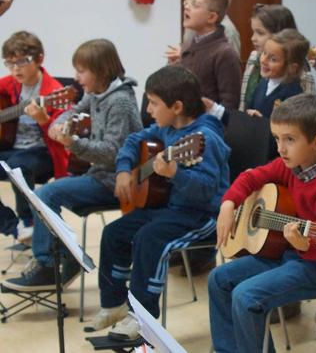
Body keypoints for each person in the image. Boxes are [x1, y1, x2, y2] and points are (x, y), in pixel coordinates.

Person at [84, 65, 230, 341]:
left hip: (203, 215)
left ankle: (142, 318)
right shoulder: (168, 128)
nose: (148, 109)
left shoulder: (205, 139)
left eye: (153, 103)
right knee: (114, 233)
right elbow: (133, 140)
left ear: (176, 106)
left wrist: (176, 173)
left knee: (150, 239)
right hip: (171, 208)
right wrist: (126, 169)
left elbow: (207, 189)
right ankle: (113, 304)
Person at [208, 94, 316, 353]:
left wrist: (304, 246)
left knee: (246, 296)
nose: (280, 148)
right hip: (287, 253)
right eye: (277, 138)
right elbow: (251, 178)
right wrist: (228, 204)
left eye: (289, 139)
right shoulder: (291, 166)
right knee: (218, 279)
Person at [2, 39, 143, 292]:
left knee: (46, 193)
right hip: (99, 173)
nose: (76, 78)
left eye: (80, 71)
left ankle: (48, 263)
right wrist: (61, 122)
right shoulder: (98, 92)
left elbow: (113, 154)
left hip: (117, 179)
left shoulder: (119, 102)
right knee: (46, 194)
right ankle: (64, 257)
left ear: (99, 71)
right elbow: (74, 109)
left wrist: (73, 142)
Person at [0, 31, 69, 242]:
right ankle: (13, 227)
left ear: (39, 59)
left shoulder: (54, 92)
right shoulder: (9, 84)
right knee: (14, 161)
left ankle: (29, 220)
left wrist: (43, 119)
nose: (15, 69)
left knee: (17, 165)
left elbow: (61, 137)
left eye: (21, 62)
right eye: (10, 63)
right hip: (13, 149)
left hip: (44, 153)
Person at [175, 0, 241, 110]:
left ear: (211, 17)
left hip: (207, 126)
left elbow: (229, 104)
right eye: (187, 2)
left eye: (195, 5)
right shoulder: (189, 44)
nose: (187, 7)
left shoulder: (225, 53)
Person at [239, 4, 316, 111]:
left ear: (280, 35)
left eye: (260, 33)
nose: (253, 38)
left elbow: (305, 115)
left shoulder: (301, 77)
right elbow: (244, 102)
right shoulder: (255, 58)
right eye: (253, 32)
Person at [165, 0, 241, 58]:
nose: (187, 3)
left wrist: (186, 57)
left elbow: (229, 67)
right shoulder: (193, 22)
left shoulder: (228, 31)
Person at [245, 29, 309, 118]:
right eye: (264, 53)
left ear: (292, 67)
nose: (263, 60)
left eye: (273, 59)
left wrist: (262, 122)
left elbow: (287, 128)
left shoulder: (293, 96)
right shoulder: (263, 83)